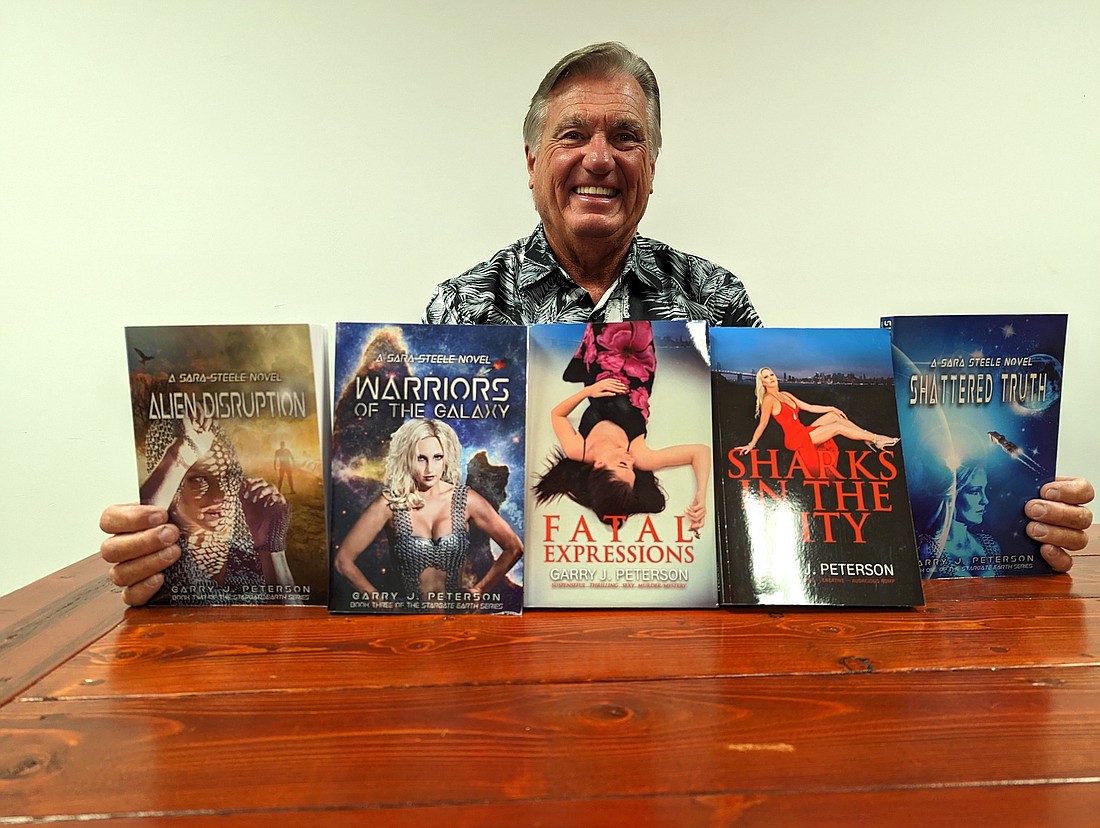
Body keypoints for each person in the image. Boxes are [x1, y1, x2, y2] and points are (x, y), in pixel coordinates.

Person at [100, 41, 1093, 604]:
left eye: (626, 137)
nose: (598, 155)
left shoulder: (720, 301)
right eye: (571, 134)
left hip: (690, 653)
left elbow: (789, 489)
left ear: (653, 167)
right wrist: (175, 567)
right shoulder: (459, 309)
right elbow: (382, 514)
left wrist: (999, 533)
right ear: (530, 162)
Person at [533, 321, 708, 531]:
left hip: (598, 368)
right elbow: (700, 452)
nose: (630, 461)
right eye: (633, 470)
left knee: (599, 319)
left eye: (623, 465)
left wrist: (587, 392)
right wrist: (701, 494)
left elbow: (557, 415)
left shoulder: (579, 450)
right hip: (637, 363)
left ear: (598, 466)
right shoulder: (640, 455)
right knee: (636, 320)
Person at [332, 419, 523, 611]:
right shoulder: (389, 504)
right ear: (406, 458)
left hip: (456, 620)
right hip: (408, 620)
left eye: (438, 457)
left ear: (446, 458)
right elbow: (343, 561)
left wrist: (481, 590)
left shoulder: (466, 500)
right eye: (421, 458)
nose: (430, 469)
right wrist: (380, 603)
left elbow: (514, 547)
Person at [138, 411, 297, 604]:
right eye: (199, 479)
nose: (220, 495)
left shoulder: (244, 553)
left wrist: (271, 546)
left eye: (228, 477)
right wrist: (179, 457)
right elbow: (144, 520)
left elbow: (292, 623)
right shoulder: (162, 561)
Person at [733, 367, 899, 478]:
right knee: (837, 427)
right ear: (762, 382)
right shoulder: (769, 399)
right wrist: (751, 444)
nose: (771, 378)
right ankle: (876, 439)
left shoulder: (786, 394)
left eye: (771, 375)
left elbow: (810, 407)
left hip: (803, 430)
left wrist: (831, 408)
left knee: (835, 417)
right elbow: (762, 424)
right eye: (766, 377)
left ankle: (866, 437)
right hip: (795, 439)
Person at [916, 462, 1001, 578]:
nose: (985, 500)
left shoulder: (989, 545)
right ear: (952, 495)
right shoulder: (928, 551)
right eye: (975, 491)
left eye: (984, 490)